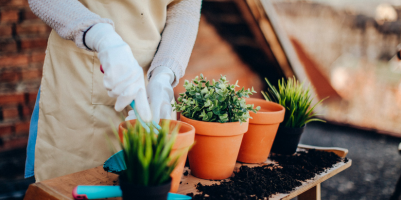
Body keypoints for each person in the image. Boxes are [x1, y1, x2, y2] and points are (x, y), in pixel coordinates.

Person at [24, 0, 201, 182]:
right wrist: (101, 37)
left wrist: (164, 73)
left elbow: (185, 6)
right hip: (79, 78)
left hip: (151, 75)